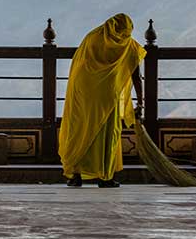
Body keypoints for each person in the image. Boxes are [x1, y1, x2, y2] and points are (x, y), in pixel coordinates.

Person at [59, 13, 145, 188]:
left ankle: (75, 176)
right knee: (107, 133)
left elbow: (78, 66)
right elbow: (136, 75)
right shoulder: (129, 45)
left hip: (83, 93)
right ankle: (105, 177)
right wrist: (141, 101)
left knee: (81, 130)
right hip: (108, 95)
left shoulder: (92, 38)